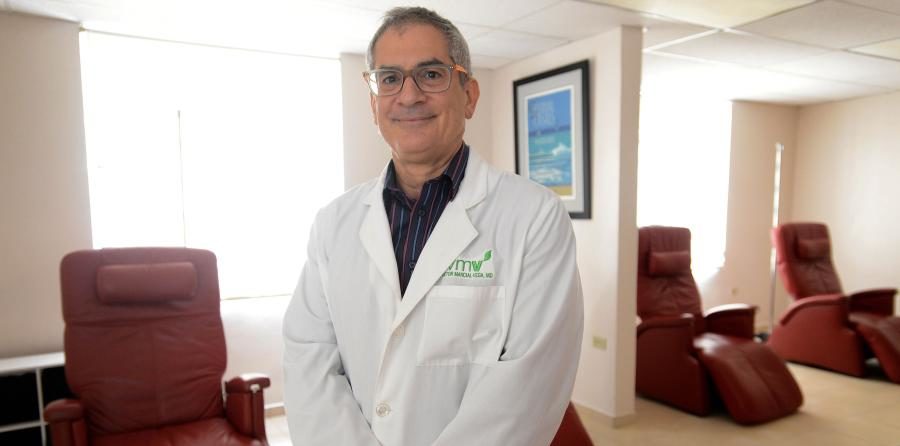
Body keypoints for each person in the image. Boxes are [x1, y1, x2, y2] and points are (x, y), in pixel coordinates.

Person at [283, 6, 583, 446]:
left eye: (431, 74)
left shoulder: (535, 217)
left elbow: (529, 386)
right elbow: (308, 361)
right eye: (389, 78)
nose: (408, 96)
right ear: (374, 104)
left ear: (469, 95)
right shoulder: (333, 224)